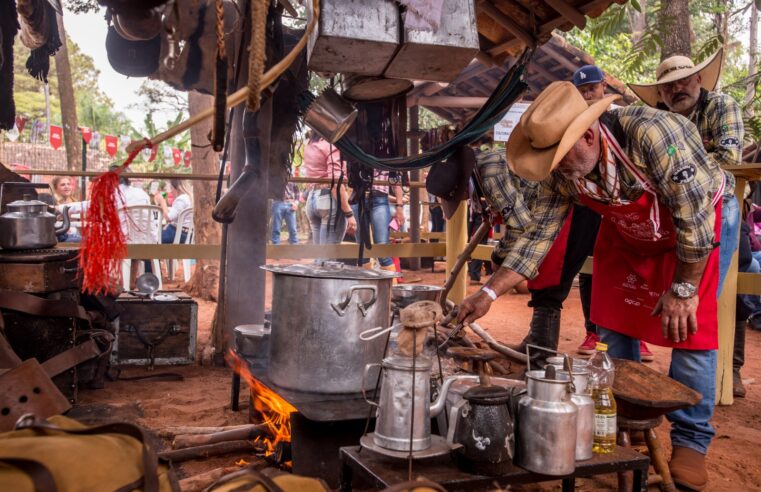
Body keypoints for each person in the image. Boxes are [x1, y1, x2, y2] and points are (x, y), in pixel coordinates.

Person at [458, 82, 731, 489]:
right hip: (629, 233)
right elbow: (536, 238)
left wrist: (683, 290)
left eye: (560, 158)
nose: (556, 169)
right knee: (612, 328)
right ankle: (627, 415)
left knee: (687, 330)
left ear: (588, 135)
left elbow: (694, 217)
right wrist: (488, 293)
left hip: (698, 226)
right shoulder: (563, 172)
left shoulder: (654, 134)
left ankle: (692, 441)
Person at [629, 48, 743, 294]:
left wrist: (672, 169)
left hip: (716, 204)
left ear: (698, 80)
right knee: (663, 290)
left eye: (684, 80)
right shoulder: (658, 120)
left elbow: (729, 158)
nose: (677, 88)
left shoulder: (721, 105)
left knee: (703, 292)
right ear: (660, 93)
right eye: (668, 86)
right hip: (670, 210)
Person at [573, 65, 654, 361]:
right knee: (590, 264)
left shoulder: (622, 118)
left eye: (591, 88)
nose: (587, 94)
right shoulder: (572, 122)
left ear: (604, 86)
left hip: (627, 202)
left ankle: (637, 332)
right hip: (591, 203)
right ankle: (592, 329)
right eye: (581, 91)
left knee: (635, 267)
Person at [302, 133, 356, 244]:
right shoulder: (332, 145)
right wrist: (349, 214)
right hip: (328, 200)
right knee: (328, 255)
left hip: (312, 199)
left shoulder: (310, 144)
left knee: (320, 253)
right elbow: (335, 183)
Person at [350, 169, 404, 273]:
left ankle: (390, 288)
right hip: (358, 198)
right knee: (362, 251)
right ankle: (364, 287)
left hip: (379, 199)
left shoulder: (386, 153)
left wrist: (399, 207)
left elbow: (396, 181)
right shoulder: (358, 153)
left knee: (382, 251)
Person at [154, 179, 193, 244]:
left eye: (171, 188)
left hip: (177, 234)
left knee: (153, 238)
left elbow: (168, 218)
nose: (171, 191)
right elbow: (176, 212)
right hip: (187, 234)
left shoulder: (181, 199)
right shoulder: (188, 197)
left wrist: (162, 201)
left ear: (176, 188)